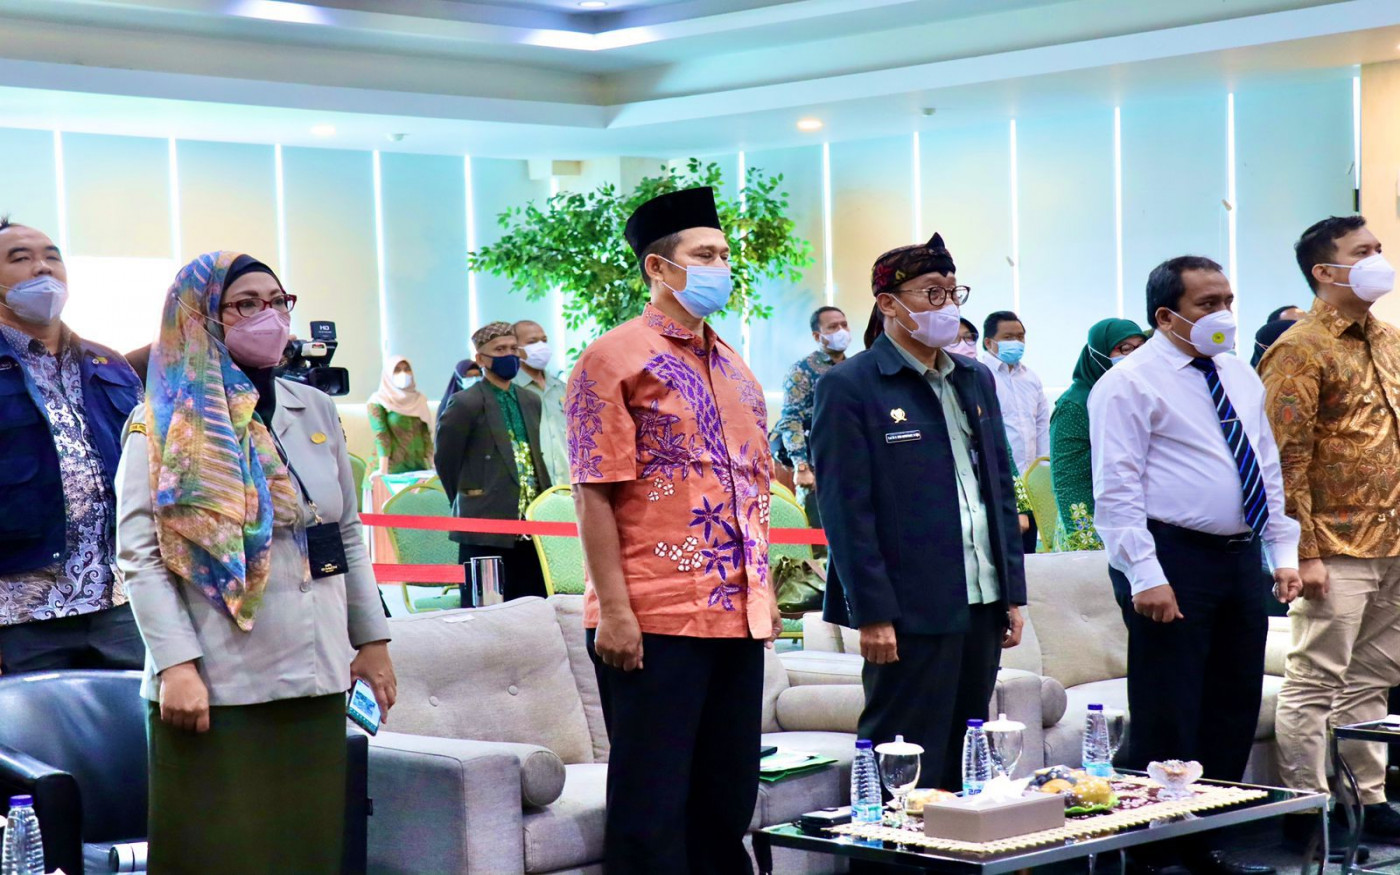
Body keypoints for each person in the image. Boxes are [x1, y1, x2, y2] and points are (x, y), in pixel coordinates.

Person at [116, 252, 395, 874]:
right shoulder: (163, 421)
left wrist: (372, 640)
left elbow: (346, 533)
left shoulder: (312, 407)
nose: (269, 316)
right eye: (245, 304)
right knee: (221, 851)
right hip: (217, 678)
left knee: (306, 848)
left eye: (277, 301)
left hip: (317, 671)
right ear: (200, 317)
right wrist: (177, 666)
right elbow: (140, 557)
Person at [566, 186, 780, 874]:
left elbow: (751, 490)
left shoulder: (734, 365)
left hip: (737, 614)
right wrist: (615, 612)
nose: (722, 266)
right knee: (651, 809)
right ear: (658, 268)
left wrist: (763, 597)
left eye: (724, 255)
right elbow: (593, 493)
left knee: (725, 803)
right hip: (654, 616)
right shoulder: (612, 358)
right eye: (705, 254)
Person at [1090, 255, 1300, 875]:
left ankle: (1208, 840)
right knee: (1170, 708)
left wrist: (1282, 552)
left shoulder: (1238, 371)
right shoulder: (1129, 382)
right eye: (1207, 304)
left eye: (1227, 300)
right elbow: (1116, 489)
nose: (1224, 314)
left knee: (1232, 705)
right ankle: (1150, 850)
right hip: (1171, 556)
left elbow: (1265, 466)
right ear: (1166, 315)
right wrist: (1145, 574)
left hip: (1239, 558)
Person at [815, 232, 1026, 791]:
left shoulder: (974, 378)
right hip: (908, 605)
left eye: (954, 293)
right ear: (888, 302)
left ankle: (961, 840)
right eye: (932, 293)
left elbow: (998, 490)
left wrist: (1012, 591)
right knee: (903, 753)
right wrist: (873, 613)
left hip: (980, 597)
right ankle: (886, 843)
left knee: (968, 752)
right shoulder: (850, 385)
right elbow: (845, 511)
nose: (947, 306)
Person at [1262, 215, 1400, 845]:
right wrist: (1303, 552)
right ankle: (1303, 809)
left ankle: (1365, 798)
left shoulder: (1389, 340)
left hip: (1392, 542)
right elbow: (1284, 460)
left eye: (1378, 249)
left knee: (1374, 679)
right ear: (1325, 270)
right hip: (1333, 547)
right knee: (1316, 679)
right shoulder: (1299, 348)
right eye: (1362, 251)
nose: (1378, 260)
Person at [0, 217, 145, 674]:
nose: (43, 267)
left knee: (136, 720)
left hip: (123, 601)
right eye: (20, 258)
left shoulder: (110, 364)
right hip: (20, 614)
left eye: (52, 257)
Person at [435, 321, 550, 601]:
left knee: (534, 606)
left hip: (530, 524)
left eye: (513, 348)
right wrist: (470, 496)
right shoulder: (466, 402)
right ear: (481, 358)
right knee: (487, 609)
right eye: (499, 350)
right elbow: (446, 461)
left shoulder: (530, 400)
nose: (508, 355)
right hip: (485, 523)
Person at [1049, 318, 1146, 551]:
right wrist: (1086, 541)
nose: (1135, 356)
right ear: (1098, 354)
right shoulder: (1074, 406)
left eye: (1141, 348)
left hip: (1138, 520)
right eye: (1124, 349)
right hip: (1094, 527)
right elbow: (1069, 481)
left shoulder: (1141, 395)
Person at [771, 305, 848, 526]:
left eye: (844, 325)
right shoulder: (802, 370)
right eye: (833, 327)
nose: (841, 331)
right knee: (815, 529)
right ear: (817, 336)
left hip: (850, 463)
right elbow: (791, 419)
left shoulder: (855, 367)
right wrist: (801, 467)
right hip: (816, 468)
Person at [980, 310, 1049, 553]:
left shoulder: (1031, 378)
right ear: (989, 342)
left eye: (1020, 337)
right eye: (1008, 337)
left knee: (1028, 556)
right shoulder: (980, 375)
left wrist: (1043, 473)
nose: (1017, 343)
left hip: (1030, 485)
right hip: (997, 482)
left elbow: (1041, 427)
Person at [511, 319, 569, 489]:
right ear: (516, 349)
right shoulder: (511, 390)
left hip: (567, 485)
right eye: (532, 342)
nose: (541, 347)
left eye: (544, 341)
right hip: (530, 486)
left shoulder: (562, 389)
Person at [367, 355, 433, 474]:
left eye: (407, 369)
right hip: (390, 469)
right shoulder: (378, 401)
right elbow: (381, 435)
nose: (403, 373)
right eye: (397, 370)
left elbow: (425, 435)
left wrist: (434, 465)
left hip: (418, 468)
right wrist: (383, 470)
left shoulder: (419, 399)